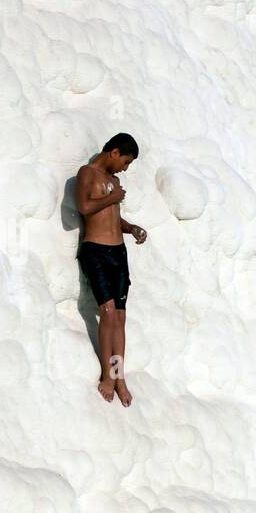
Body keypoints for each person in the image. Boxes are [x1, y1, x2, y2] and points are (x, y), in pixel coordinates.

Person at [75, 133, 148, 406]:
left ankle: (120, 376)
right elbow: (84, 206)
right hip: (96, 252)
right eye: (126, 162)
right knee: (106, 313)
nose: (125, 169)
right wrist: (113, 197)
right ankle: (108, 375)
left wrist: (131, 229)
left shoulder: (114, 182)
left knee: (119, 317)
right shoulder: (88, 174)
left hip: (118, 254)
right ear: (114, 152)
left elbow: (113, 218)